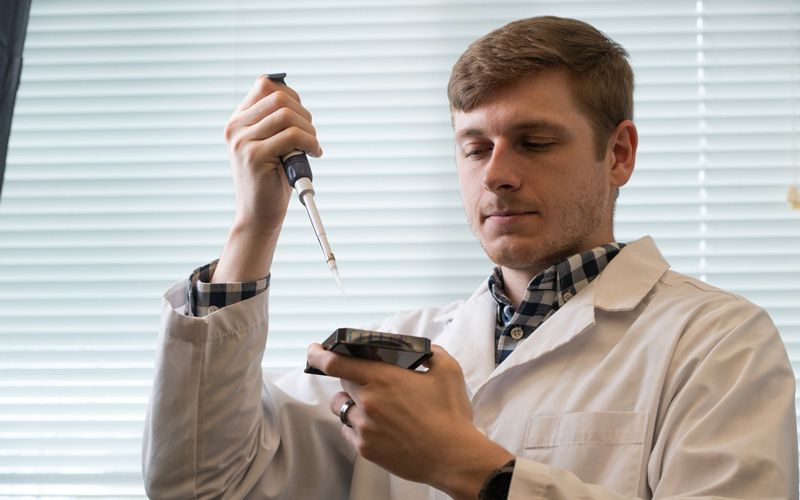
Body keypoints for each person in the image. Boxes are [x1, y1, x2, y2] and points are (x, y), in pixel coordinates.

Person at [142, 16, 799, 500]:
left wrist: (470, 468)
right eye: (475, 147)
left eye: (535, 142)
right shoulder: (403, 354)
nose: (498, 175)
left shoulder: (719, 342)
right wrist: (253, 227)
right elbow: (200, 482)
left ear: (619, 154)